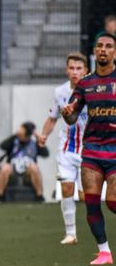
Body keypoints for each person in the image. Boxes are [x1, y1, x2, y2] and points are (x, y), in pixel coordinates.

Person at [61, 31, 116, 265]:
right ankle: (104, 252)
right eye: (100, 45)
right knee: (91, 203)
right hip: (92, 151)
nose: (103, 49)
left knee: (113, 203)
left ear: (114, 52)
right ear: (94, 51)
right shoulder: (85, 84)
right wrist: (68, 114)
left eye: (109, 46)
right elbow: (72, 118)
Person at [38, 53, 89, 245]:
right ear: (66, 70)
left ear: (85, 70)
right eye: (72, 68)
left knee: (87, 196)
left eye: (79, 68)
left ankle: (97, 233)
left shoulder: (93, 89)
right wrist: (44, 135)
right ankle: (71, 234)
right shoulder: (59, 92)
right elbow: (52, 118)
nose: (75, 72)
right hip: (67, 148)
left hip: (89, 149)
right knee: (67, 188)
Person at [0, 122, 49, 202]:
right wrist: (16, 135)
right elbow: (2, 146)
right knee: (4, 168)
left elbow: (46, 154)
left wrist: (38, 138)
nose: (21, 136)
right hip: (13, 168)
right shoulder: (14, 141)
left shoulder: (34, 144)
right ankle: (0, 196)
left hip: (28, 169)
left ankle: (39, 196)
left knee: (34, 167)